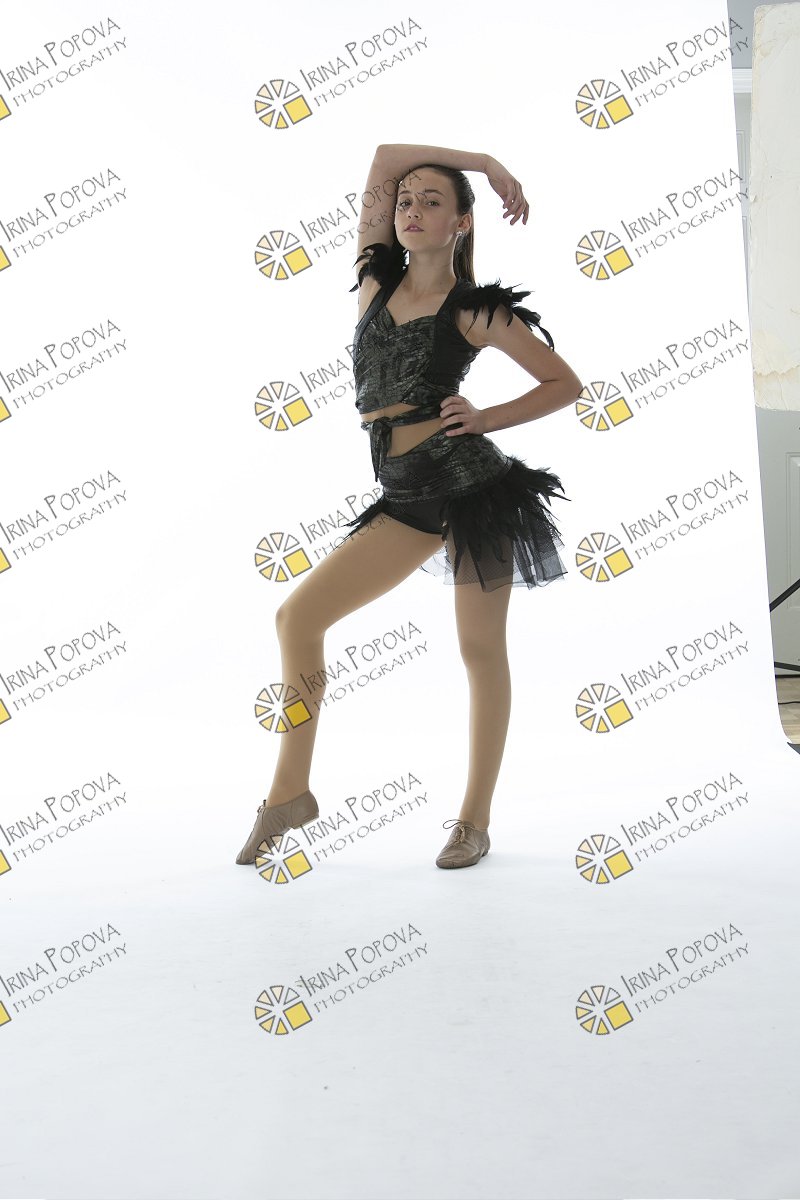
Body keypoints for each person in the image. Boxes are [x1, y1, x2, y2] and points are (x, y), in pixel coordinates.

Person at [235, 144, 583, 871]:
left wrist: (486, 418)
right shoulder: (374, 280)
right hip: (405, 496)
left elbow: (564, 384)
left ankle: (474, 821)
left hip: (473, 491)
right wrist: (484, 161)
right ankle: (290, 792)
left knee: (479, 651)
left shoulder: (475, 310)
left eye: (432, 202)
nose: (412, 210)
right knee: (298, 618)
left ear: (461, 222)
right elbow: (385, 158)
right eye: (405, 202)